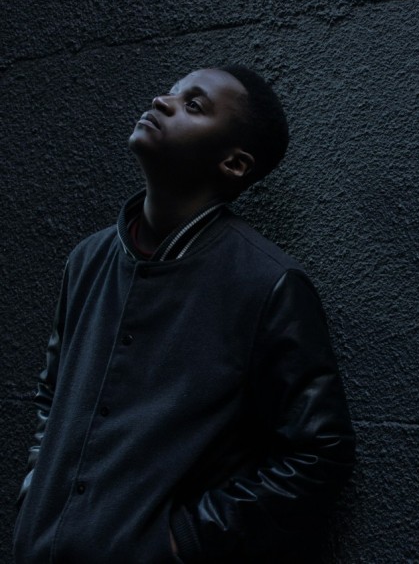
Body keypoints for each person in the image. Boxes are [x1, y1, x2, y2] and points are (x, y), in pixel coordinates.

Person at [12, 66, 356, 563]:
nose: (161, 100)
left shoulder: (267, 283)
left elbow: (319, 453)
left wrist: (186, 540)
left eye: (193, 105)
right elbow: (51, 395)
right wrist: (35, 491)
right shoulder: (86, 260)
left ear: (234, 164)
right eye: (171, 91)